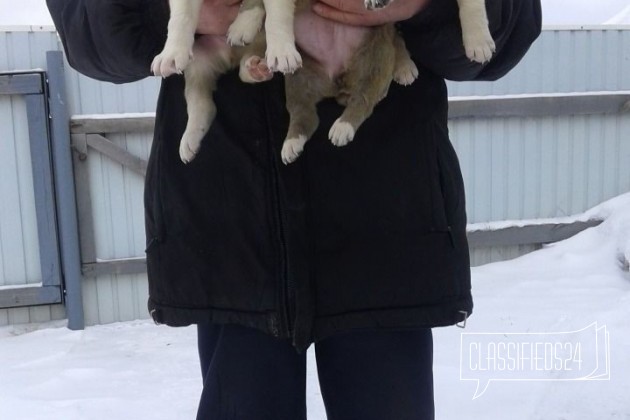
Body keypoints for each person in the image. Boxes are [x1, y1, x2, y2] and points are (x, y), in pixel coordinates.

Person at [47, 0, 541, 418]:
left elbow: (509, 30)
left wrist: (421, 6)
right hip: (231, 234)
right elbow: (87, 35)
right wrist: (185, 13)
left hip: (386, 230)